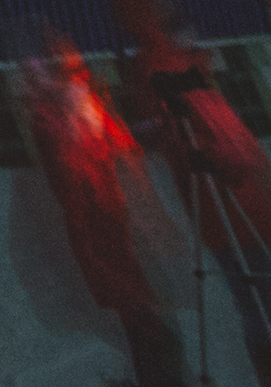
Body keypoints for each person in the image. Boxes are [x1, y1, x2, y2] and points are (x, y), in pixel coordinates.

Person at [115, 0, 271, 387]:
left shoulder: (190, 71)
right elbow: (191, 142)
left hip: (242, 203)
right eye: (169, 20)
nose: (185, 27)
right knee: (266, 299)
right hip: (227, 206)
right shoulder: (162, 71)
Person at [13, 32, 197, 387]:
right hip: (112, 253)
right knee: (148, 337)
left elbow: (130, 170)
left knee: (161, 336)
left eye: (81, 67)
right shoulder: (55, 120)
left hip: (135, 247)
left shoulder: (87, 110)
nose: (83, 76)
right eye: (72, 69)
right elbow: (80, 193)